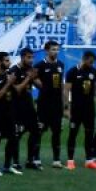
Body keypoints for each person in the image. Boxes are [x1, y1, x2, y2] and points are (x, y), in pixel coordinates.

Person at [64, 51, 96, 170]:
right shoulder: (72, 72)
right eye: (90, 62)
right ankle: (70, 161)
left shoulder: (93, 72)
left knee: (89, 134)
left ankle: (89, 160)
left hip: (90, 108)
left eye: (93, 62)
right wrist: (66, 108)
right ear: (84, 59)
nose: (92, 64)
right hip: (76, 108)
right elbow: (66, 91)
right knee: (73, 133)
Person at [33, 40, 66, 168]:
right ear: (46, 51)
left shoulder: (61, 65)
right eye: (53, 49)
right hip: (44, 103)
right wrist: (42, 86)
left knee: (57, 131)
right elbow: (33, 78)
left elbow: (61, 84)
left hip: (57, 103)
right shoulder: (40, 65)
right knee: (40, 131)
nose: (56, 52)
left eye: (57, 49)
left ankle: (56, 160)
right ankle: (36, 158)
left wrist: (65, 102)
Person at [8, 48, 38, 170]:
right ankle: (15, 162)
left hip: (29, 106)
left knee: (35, 132)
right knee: (17, 134)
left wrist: (35, 77)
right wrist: (28, 78)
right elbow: (17, 89)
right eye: (28, 57)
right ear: (22, 57)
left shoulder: (30, 70)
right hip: (17, 108)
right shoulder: (13, 71)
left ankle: (30, 160)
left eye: (32, 57)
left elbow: (38, 85)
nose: (31, 60)